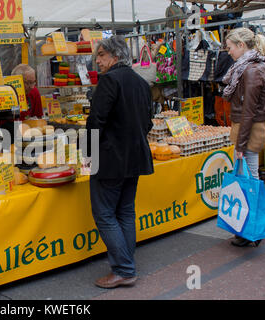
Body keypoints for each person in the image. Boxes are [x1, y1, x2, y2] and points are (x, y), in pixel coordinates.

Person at [85, 35, 154, 288]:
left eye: (101, 55)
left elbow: (95, 122)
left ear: (115, 56)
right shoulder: (141, 82)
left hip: (111, 159)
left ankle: (124, 269)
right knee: (125, 211)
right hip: (134, 157)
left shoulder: (109, 81)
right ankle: (126, 262)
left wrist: (87, 156)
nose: (98, 61)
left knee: (104, 214)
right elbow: (148, 123)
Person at [222, 28, 265, 247]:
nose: (228, 51)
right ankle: (251, 228)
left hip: (247, 129)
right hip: (248, 128)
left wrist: (240, 144)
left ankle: (253, 229)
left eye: (230, 47)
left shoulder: (250, 70)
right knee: (249, 178)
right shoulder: (252, 67)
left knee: (249, 179)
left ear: (241, 45)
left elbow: (249, 109)